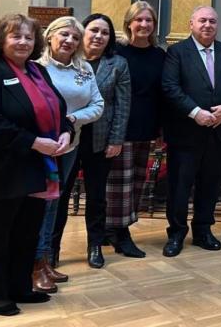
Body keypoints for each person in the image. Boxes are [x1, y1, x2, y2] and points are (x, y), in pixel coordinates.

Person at [0, 14, 71, 316]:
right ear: (1, 40)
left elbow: (57, 108)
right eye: (16, 36)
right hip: (1, 167)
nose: (23, 42)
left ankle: (19, 286)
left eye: (29, 37)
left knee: (26, 231)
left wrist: (66, 130)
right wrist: (34, 142)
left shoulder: (38, 71)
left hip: (37, 166)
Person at [161, 6, 221, 257]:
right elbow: (170, 86)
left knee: (210, 185)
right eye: (202, 20)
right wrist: (196, 112)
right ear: (191, 24)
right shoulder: (177, 52)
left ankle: (202, 231)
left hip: (219, 131)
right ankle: (176, 233)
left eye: (212, 21)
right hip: (186, 132)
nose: (207, 25)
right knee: (179, 186)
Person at [50, 14, 131, 270]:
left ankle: (95, 245)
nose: (98, 36)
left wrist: (116, 139)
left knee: (97, 197)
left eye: (105, 33)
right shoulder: (68, 61)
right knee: (59, 196)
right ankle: (52, 249)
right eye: (94, 30)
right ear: (83, 33)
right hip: (65, 140)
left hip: (100, 141)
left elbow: (122, 106)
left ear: (110, 39)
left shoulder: (117, 64)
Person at [34, 16, 104, 291]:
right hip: (40, 148)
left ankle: (45, 259)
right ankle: (33, 261)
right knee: (38, 204)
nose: (70, 41)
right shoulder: (35, 67)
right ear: (50, 36)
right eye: (64, 35)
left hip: (68, 146)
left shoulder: (84, 68)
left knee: (54, 202)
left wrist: (72, 121)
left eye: (75, 38)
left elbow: (97, 105)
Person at [107, 1, 165, 259]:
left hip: (149, 127)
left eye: (148, 20)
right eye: (139, 20)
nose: (144, 24)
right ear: (129, 23)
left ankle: (117, 228)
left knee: (139, 183)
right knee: (120, 184)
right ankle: (120, 234)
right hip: (122, 129)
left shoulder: (160, 55)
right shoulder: (116, 54)